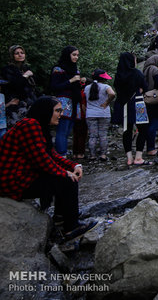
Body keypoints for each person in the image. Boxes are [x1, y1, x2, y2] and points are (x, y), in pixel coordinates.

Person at [0, 97, 97, 240]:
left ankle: (61, 216)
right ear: (46, 111)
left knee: (65, 177)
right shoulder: (29, 125)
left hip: (21, 176)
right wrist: (66, 173)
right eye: (57, 111)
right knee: (67, 180)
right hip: (12, 181)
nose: (60, 114)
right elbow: (42, 160)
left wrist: (74, 165)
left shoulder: (38, 126)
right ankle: (71, 227)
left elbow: (50, 154)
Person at [112, 52, 150, 166]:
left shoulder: (118, 75)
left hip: (123, 104)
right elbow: (145, 87)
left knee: (126, 131)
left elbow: (117, 89)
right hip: (137, 103)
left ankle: (129, 157)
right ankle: (138, 157)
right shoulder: (136, 73)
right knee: (143, 129)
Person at [50, 46, 83, 156]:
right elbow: (54, 86)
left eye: (77, 55)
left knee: (68, 131)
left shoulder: (75, 70)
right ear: (67, 55)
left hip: (74, 102)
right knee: (62, 130)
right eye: (74, 55)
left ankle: (63, 155)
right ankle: (61, 155)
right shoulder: (58, 69)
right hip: (63, 102)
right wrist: (71, 80)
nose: (76, 57)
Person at [1, 45, 37, 128]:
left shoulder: (25, 68)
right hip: (15, 105)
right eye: (17, 53)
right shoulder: (7, 69)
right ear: (12, 56)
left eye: (22, 53)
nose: (20, 55)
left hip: (29, 104)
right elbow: (16, 85)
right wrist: (25, 76)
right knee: (16, 130)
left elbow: (32, 87)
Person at [85, 69, 115, 161]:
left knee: (92, 135)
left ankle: (92, 155)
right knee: (103, 135)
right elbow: (112, 94)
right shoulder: (106, 87)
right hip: (104, 114)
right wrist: (106, 102)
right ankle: (103, 155)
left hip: (90, 114)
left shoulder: (87, 88)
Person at [143, 55, 158, 156]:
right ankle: (151, 148)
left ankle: (149, 146)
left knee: (149, 124)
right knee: (155, 124)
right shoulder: (154, 69)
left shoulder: (145, 69)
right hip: (155, 100)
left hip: (147, 99)